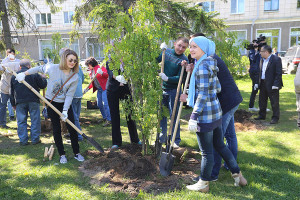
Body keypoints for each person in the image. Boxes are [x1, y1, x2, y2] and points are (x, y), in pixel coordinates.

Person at [180, 36, 247, 192]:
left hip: (205, 115)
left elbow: (203, 93)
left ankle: (203, 184)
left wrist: (194, 115)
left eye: (195, 46)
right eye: (190, 46)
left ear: (204, 48)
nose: (191, 49)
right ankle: (238, 176)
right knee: (221, 146)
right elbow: (215, 88)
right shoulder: (209, 63)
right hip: (216, 112)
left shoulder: (202, 67)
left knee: (206, 153)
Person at [15, 49, 84, 164]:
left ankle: (77, 153)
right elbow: (38, 69)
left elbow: (69, 95)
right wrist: (24, 74)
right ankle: (62, 154)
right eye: (70, 60)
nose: (73, 62)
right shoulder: (53, 68)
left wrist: (65, 110)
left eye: (75, 61)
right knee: (56, 128)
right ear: (64, 59)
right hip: (52, 102)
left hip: (65, 103)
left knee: (72, 128)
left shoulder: (74, 77)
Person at [158, 37, 189, 148]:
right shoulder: (167, 52)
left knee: (174, 115)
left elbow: (180, 78)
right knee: (161, 114)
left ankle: (175, 140)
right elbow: (156, 59)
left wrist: (167, 78)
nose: (180, 48)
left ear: (186, 49)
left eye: (183, 47)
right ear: (174, 43)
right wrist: (161, 51)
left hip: (174, 90)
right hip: (162, 88)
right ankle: (162, 138)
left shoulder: (184, 60)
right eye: (179, 45)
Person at [10, 59, 47, 145]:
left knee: (21, 121)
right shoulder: (34, 74)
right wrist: (44, 78)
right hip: (33, 100)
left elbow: (11, 91)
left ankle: (23, 140)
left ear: (20, 67)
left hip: (20, 101)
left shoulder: (14, 76)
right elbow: (42, 85)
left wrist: (13, 103)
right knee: (35, 120)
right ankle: (35, 139)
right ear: (29, 66)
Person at [106, 60, 141, 149]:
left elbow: (133, 72)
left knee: (130, 114)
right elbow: (111, 74)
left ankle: (135, 139)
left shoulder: (128, 59)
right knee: (114, 115)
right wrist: (118, 78)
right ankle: (116, 142)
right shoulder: (110, 60)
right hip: (112, 90)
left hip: (126, 89)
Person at [254, 45, 283, 124]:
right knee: (262, 100)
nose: (260, 53)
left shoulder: (276, 59)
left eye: (261, 51)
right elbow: (259, 72)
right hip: (262, 83)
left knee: (274, 101)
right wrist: (257, 82)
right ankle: (262, 115)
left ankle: (275, 118)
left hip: (272, 84)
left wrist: (276, 84)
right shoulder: (261, 60)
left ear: (266, 52)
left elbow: (278, 73)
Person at [84, 57, 111, 127]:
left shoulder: (100, 67)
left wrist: (102, 73)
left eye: (88, 65)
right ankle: (104, 117)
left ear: (91, 64)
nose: (88, 67)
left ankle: (109, 120)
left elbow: (108, 75)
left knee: (105, 104)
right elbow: (92, 82)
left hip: (104, 88)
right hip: (99, 89)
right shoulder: (91, 71)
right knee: (99, 104)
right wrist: (87, 89)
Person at [0, 48, 20, 128]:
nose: (10, 56)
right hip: (4, 86)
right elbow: (1, 68)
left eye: (11, 54)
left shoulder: (18, 61)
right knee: (2, 105)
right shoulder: (4, 62)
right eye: (8, 55)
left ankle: (21, 122)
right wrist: (6, 60)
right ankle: (2, 123)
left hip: (15, 87)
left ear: (15, 54)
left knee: (18, 105)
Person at [248, 44, 260, 112]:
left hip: (255, 72)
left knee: (255, 89)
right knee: (255, 89)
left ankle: (252, 105)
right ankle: (251, 105)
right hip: (255, 73)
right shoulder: (252, 52)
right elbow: (253, 59)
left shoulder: (254, 52)